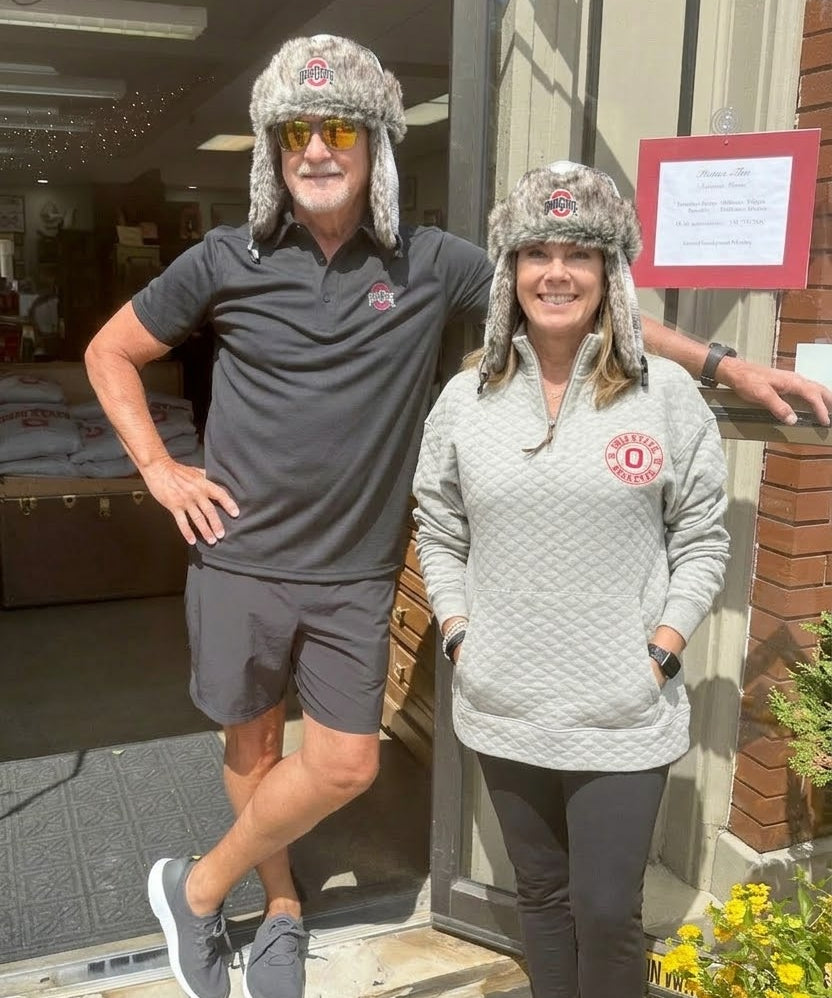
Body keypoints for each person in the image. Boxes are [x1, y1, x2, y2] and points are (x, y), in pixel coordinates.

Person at [83, 33, 829, 998]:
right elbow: (110, 352)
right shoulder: (226, 257)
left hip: (356, 569)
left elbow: (585, 305)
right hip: (238, 558)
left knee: (343, 764)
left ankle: (196, 887)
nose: (317, 148)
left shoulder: (431, 262)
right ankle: (278, 910)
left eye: (339, 128)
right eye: (297, 130)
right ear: (274, 147)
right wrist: (160, 469)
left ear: (375, 143)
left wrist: (723, 368)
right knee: (255, 749)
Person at [411, 161, 732, 998]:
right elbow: (438, 529)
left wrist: (660, 650)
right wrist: (458, 633)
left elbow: (702, 538)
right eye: (536, 253)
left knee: (606, 908)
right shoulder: (465, 400)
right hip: (504, 699)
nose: (556, 272)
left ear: (609, 274)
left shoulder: (665, 399)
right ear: (510, 273)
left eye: (579, 254)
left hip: (623, 707)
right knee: (543, 898)